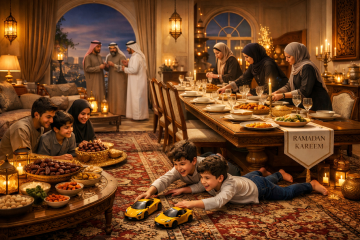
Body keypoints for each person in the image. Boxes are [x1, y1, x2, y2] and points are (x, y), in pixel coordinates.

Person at [174, 155, 328, 210]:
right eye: (202, 177)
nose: (203, 182)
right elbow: (200, 186)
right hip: (247, 180)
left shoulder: (229, 186)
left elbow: (219, 201)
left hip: (260, 188)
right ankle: (277, 174)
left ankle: (311, 185)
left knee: (286, 193)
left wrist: (192, 204)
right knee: (259, 177)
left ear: (220, 178)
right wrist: (184, 190)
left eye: (206, 178)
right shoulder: (215, 179)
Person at [134, 140, 241, 202]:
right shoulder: (178, 169)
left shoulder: (205, 170)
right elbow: (164, 179)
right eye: (175, 164)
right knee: (205, 157)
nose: (178, 168)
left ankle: (217, 157)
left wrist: (184, 189)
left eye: (182, 164)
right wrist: (149, 192)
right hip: (200, 159)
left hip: (228, 171)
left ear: (193, 161)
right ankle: (211, 155)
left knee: (236, 173)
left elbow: (201, 186)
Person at [272, 42, 332, 111]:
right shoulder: (295, 66)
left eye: (289, 57)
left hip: (319, 105)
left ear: (297, 55)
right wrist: (278, 92)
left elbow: (304, 91)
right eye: (286, 57)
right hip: (308, 104)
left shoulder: (307, 67)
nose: (286, 60)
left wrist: (282, 95)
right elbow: (289, 85)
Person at [218, 43, 288, 96]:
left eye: (247, 57)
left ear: (254, 54)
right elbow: (243, 79)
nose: (245, 60)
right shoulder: (254, 64)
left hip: (280, 97)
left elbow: (269, 86)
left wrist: (251, 92)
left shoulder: (268, 64)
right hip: (268, 96)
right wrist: (225, 88)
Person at [121, 41, 149, 120]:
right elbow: (134, 66)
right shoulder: (135, 56)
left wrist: (125, 69)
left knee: (137, 99)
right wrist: (128, 64)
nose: (127, 49)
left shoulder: (136, 57)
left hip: (137, 83)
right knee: (137, 99)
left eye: (128, 48)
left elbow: (135, 70)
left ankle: (138, 117)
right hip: (136, 82)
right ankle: (137, 116)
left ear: (132, 48)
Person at [105, 42, 128, 116]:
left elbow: (124, 68)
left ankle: (121, 112)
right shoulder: (108, 57)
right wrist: (106, 67)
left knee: (120, 95)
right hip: (111, 80)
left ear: (117, 48)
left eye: (113, 48)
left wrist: (113, 65)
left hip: (120, 80)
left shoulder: (121, 56)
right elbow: (108, 70)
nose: (112, 50)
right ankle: (112, 111)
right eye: (110, 49)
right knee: (112, 95)